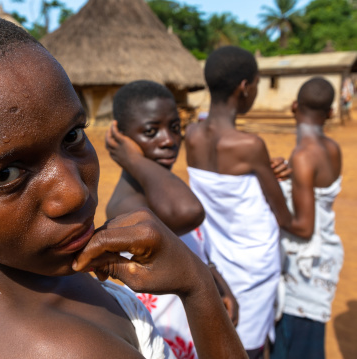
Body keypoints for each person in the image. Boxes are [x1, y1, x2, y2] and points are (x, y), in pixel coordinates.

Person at [0, 10, 246, 358]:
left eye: (72, 137)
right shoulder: (69, 350)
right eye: (6, 175)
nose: (74, 192)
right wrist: (198, 288)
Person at [106, 80, 239, 358]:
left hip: (194, 324)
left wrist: (218, 287)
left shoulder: (162, 186)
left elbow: (192, 250)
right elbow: (188, 212)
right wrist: (133, 160)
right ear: (120, 135)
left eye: (175, 128)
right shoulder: (126, 206)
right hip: (166, 338)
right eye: (151, 131)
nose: (168, 140)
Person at [184, 46, 295, 359]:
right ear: (245, 87)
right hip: (254, 266)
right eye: (258, 84)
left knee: (219, 338)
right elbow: (284, 217)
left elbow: (229, 184)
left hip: (216, 258)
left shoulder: (192, 134)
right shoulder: (249, 145)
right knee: (250, 347)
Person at [271, 78, 343, 359]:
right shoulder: (333, 147)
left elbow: (303, 227)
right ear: (331, 112)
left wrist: (273, 198)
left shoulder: (303, 156)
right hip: (325, 257)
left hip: (304, 272)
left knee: (294, 348)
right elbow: (316, 187)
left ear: (293, 106)